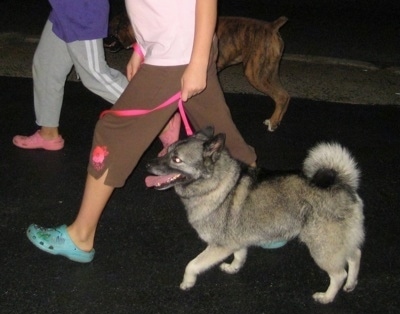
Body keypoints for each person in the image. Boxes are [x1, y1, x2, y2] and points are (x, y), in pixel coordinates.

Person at [26, 0, 284, 263]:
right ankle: (268, 217)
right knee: (217, 123)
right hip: (178, 48)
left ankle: (80, 236)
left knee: (113, 135)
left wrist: (195, 62)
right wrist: (142, 47)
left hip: (177, 56)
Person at [12, 0, 129, 150]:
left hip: (81, 9)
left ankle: (161, 114)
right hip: (63, 8)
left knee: (96, 76)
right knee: (47, 65)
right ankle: (48, 133)